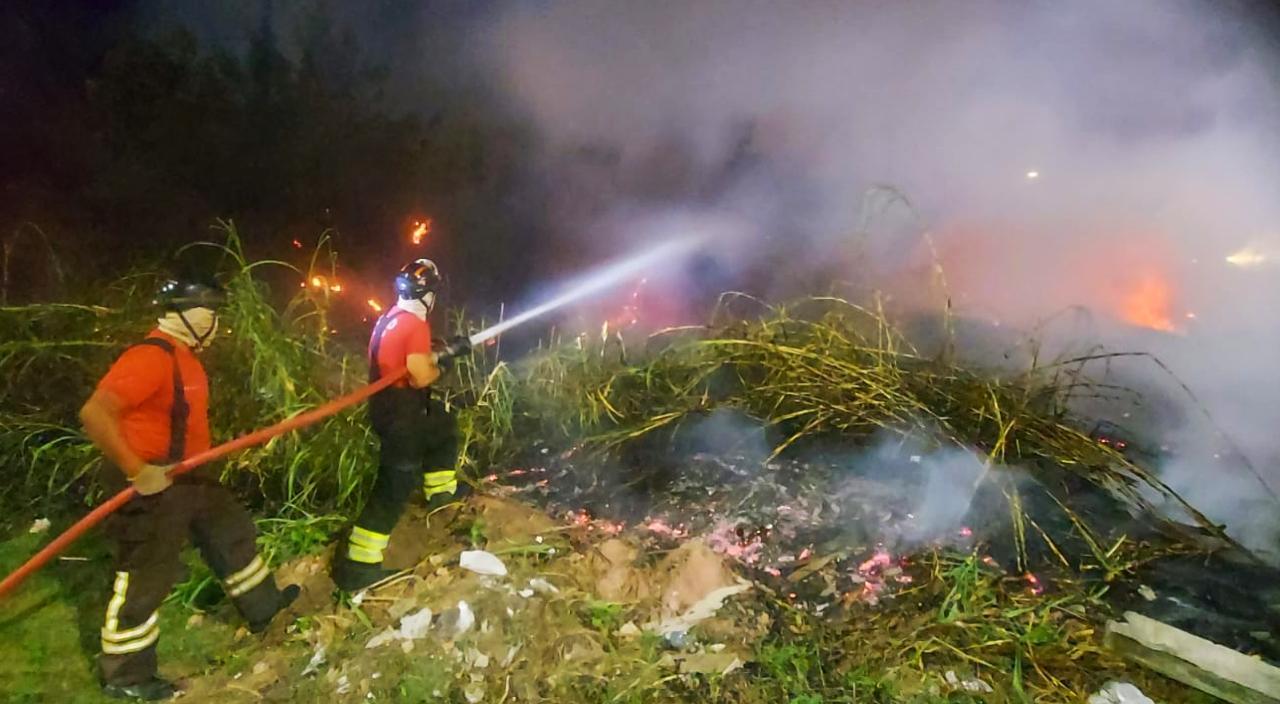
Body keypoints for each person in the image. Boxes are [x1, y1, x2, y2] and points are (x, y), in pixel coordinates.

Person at [79, 275, 299, 701]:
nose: (217, 325)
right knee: (146, 573)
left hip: (191, 475)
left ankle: (263, 609)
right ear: (191, 315)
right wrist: (136, 470)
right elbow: (95, 413)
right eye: (212, 314)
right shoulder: (150, 357)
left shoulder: (186, 356)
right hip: (151, 483)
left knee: (231, 533)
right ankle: (126, 675)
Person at [331, 258, 470, 591]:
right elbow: (421, 377)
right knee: (393, 489)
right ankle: (358, 565)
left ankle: (440, 494)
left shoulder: (390, 318)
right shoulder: (415, 325)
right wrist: (445, 366)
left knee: (442, 427)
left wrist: (442, 351)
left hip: (387, 410)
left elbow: (405, 359)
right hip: (402, 417)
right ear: (428, 295)